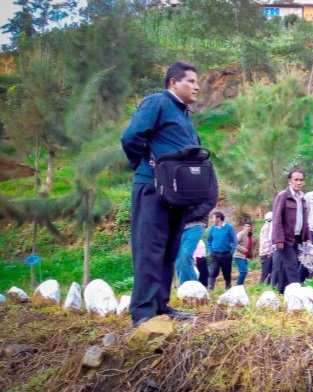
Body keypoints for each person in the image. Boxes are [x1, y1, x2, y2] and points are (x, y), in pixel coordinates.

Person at [121, 61, 203, 326]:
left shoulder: (184, 115)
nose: (197, 86)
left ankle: (160, 304)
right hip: (152, 189)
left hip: (176, 194)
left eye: (197, 81)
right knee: (149, 249)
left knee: (169, 249)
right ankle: (143, 312)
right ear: (173, 82)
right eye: (190, 81)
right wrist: (145, 167)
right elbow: (131, 137)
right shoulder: (156, 102)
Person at [271, 170, 311, 294]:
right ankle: (297, 293)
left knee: (287, 267)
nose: (299, 182)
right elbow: (277, 218)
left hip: (298, 238)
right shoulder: (282, 196)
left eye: (301, 180)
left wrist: (308, 237)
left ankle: (282, 292)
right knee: (292, 265)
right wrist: (279, 239)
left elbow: (305, 220)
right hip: (285, 238)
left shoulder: (303, 198)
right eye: (296, 180)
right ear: (290, 181)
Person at [174, 201, 214, 285]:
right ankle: (184, 285)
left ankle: (194, 287)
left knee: (185, 255)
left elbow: (206, 204)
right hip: (181, 225)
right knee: (178, 259)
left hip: (196, 224)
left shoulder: (202, 190)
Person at [207, 211, 237, 290]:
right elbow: (209, 240)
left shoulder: (228, 227)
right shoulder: (212, 228)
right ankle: (210, 290)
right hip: (215, 255)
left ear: (219, 218)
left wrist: (231, 252)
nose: (212, 220)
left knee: (227, 274)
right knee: (212, 273)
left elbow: (234, 240)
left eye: (213, 218)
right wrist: (210, 251)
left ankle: (228, 290)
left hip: (226, 255)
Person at [233, 221, 253, 286]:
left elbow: (249, 246)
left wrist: (250, 255)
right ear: (243, 227)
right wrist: (245, 250)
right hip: (239, 256)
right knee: (244, 272)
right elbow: (235, 243)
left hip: (244, 257)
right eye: (246, 226)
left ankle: (240, 286)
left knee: (242, 272)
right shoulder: (241, 234)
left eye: (249, 226)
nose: (248, 228)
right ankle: (238, 286)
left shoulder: (249, 235)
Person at [259, 212, 274, 285]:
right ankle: (260, 286)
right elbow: (266, 242)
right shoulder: (266, 228)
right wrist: (268, 252)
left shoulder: (268, 226)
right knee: (265, 272)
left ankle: (267, 286)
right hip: (266, 253)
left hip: (268, 252)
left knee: (271, 271)